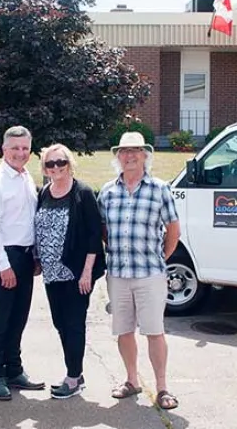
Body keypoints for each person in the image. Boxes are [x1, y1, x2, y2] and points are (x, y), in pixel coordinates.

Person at [97, 132, 181, 411]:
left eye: (135, 151)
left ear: (145, 155)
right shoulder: (108, 191)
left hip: (150, 274)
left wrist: (159, 259)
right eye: (124, 151)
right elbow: (103, 232)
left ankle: (162, 387)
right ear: (117, 157)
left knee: (155, 332)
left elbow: (173, 231)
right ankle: (131, 380)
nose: (129, 156)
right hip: (118, 274)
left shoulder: (160, 189)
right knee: (123, 331)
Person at [0, 126, 46, 401]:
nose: (20, 153)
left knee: (19, 317)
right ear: (3, 149)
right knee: (0, 320)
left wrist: (36, 256)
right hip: (3, 257)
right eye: (15, 148)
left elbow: (29, 220)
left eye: (25, 148)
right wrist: (4, 265)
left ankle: (14, 370)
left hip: (26, 256)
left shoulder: (26, 177)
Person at [34, 143, 105, 399]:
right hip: (52, 274)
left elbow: (94, 234)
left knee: (74, 324)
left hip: (76, 274)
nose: (56, 168)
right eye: (50, 164)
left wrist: (87, 272)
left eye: (60, 162)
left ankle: (73, 378)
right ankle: (76, 371)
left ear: (69, 163)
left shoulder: (82, 192)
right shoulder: (44, 192)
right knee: (60, 323)